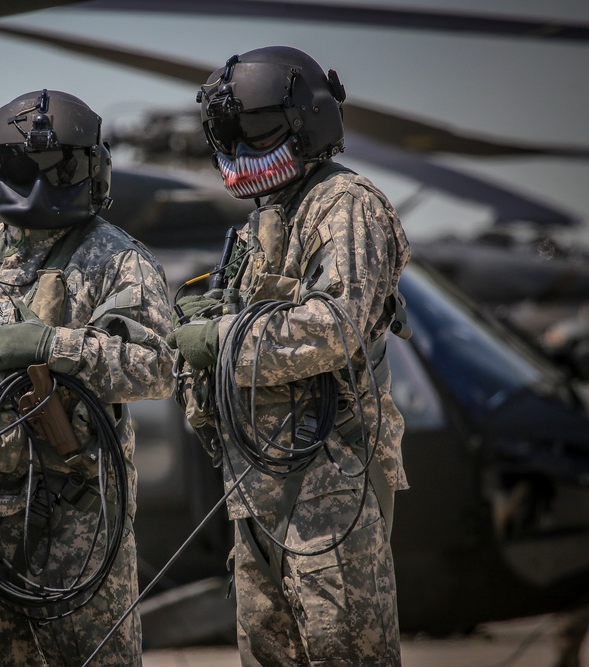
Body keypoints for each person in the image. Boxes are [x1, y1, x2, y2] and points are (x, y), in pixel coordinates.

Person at [0, 89, 175, 667]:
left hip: (73, 520)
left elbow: (157, 367)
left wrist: (58, 347)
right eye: (25, 168)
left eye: (62, 168)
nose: (42, 184)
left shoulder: (117, 259)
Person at [167, 46, 412, 666]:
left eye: (257, 130)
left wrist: (222, 339)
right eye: (231, 132)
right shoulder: (263, 222)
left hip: (331, 489)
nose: (244, 147)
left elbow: (338, 326)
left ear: (306, 122)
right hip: (259, 490)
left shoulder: (345, 203)